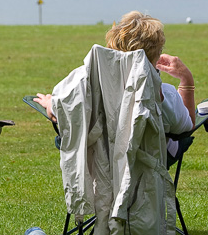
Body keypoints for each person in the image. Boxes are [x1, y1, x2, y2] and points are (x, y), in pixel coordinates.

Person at [34, 11, 195, 153]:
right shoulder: (164, 95)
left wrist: (50, 103)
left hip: (98, 167)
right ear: (156, 54)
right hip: (145, 170)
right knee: (179, 140)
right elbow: (185, 128)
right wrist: (186, 80)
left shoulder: (85, 81)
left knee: (64, 137)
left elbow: (58, 112)